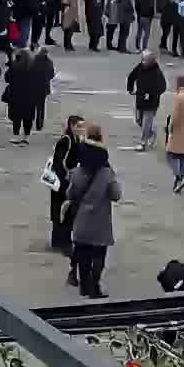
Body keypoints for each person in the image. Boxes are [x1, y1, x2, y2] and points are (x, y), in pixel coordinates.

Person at [64, 124, 121, 298]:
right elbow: (116, 195)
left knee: (83, 256)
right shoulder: (107, 174)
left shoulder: (77, 173)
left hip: (81, 223)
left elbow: (70, 194)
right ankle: (94, 286)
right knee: (99, 258)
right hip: (101, 225)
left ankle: (83, 285)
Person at [48, 116, 87, 252]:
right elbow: (58, 163)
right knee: (61, 211)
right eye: (78, 127)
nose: (81, 129)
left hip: (70, 181)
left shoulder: (78, 140)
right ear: (71, 126)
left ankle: (62, 240)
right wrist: (67, 177)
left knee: (68, 211)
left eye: (83, 127)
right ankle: (60, 242)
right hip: (61, 182)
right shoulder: (66, 141)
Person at [126, 51, 165, 152]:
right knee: (139, 120)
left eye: (145, 60)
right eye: (142, 60)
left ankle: (143, 143)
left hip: (151, 103)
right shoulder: (140, 67)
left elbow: (162, 87)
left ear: (151, 61)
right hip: (140, 99)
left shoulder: (157, 72)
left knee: (146, 123)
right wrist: (130, 88)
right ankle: (151, 133)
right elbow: (131, 76)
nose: (143, 62)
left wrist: (152, 94)